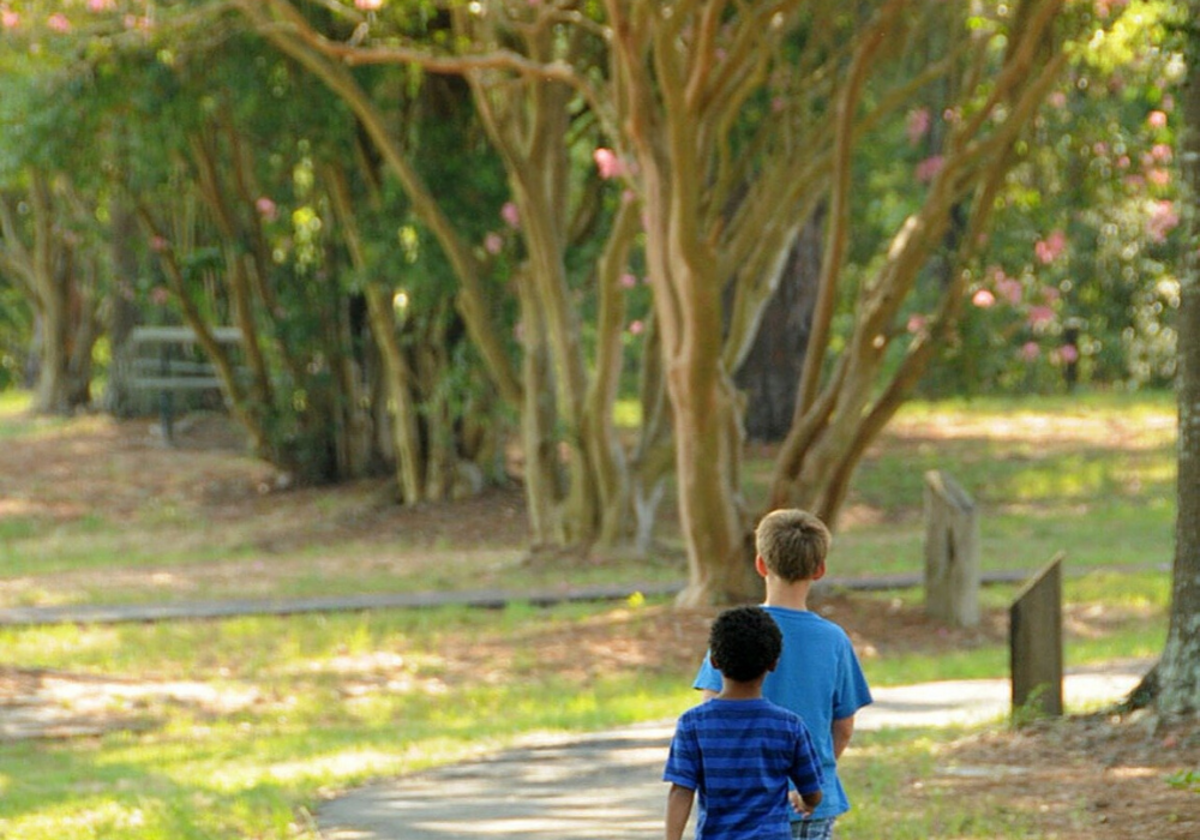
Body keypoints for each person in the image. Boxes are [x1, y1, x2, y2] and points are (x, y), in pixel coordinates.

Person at [692, 509, 873, 840]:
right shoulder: (834, 639)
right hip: (811, 803)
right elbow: (843, 728)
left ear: (760, 564)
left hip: (741, 804)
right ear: (819, 570)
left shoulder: (736, 630)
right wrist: (809, 776)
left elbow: (713, 711)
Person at [663, 605, 824, 840]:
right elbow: (813, 791)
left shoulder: (693, 724)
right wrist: (807, 801)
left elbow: (681, 790)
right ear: (773, 663)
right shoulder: (789, 726)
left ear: (714, 661)